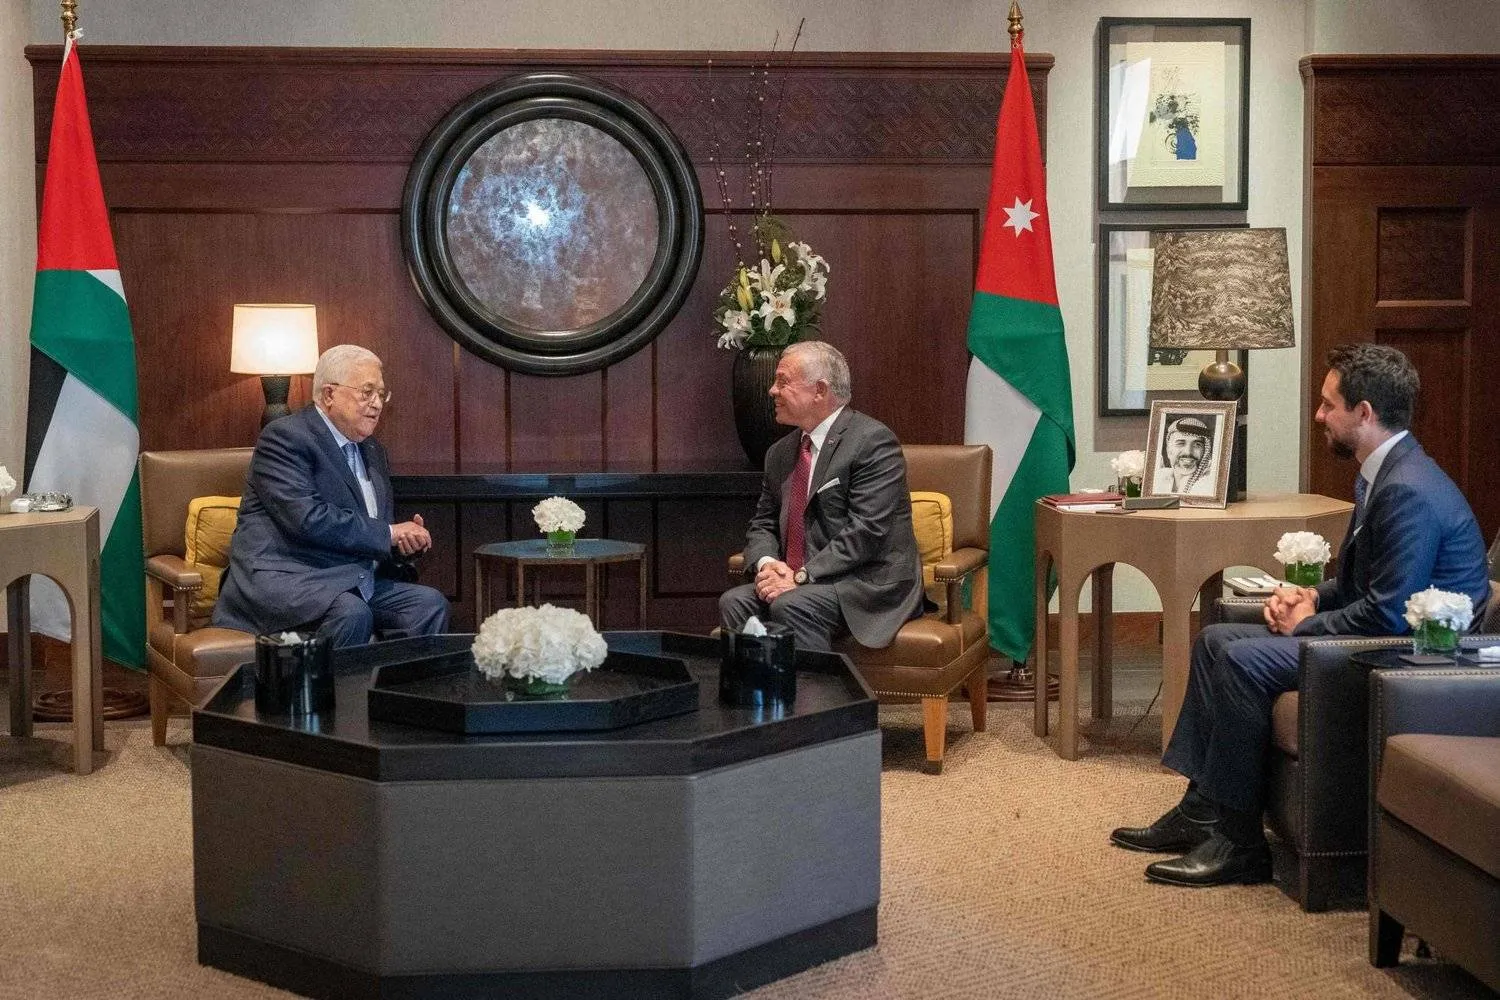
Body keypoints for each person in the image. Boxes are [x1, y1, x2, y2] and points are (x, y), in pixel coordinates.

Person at [1112, 343, 1490, 887]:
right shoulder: (1387, 469)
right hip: (1379, 634)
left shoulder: (1408, 490)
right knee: (1216, 637)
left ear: (1364, 414)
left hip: (1410, 659)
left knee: (1242, 661)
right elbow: (1371, 585)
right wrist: (1314, 597)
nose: (1318, 416)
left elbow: (1389, 615)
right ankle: (1201, 809)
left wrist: (1307, 625)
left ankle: (1241, 846)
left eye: (1327, 405)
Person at [214, 344, 450, 647]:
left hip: (351, 578)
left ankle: (394, 695)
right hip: (290, 577)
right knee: (351, 613)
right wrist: (390, 532)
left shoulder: (373, 450)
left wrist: (404, 543)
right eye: (367, 392)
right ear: (329, 395)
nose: (377, 404)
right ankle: (331, 696)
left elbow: (370, 531)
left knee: (428, 605)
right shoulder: (285, 438)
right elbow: (308, 520)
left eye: (381, 394)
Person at [719, 341, 924, 652]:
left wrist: (802, 575)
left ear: (820, 390)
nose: (772, 391)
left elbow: (866, 531)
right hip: (804, 581)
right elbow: (762, 523)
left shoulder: (872, 442)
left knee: (792, 605)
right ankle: (756, 699)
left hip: (864, 583)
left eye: (783, 381)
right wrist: (767, 565)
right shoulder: (780, 453)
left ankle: (816, 701)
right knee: (734, 601)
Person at [1151, 414, 1216, 496]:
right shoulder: (1158, 478)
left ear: (1205, 451)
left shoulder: (1208, 486)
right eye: (1180, 443)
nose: (1188, 452)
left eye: (1197, 445)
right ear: (1168, 450)